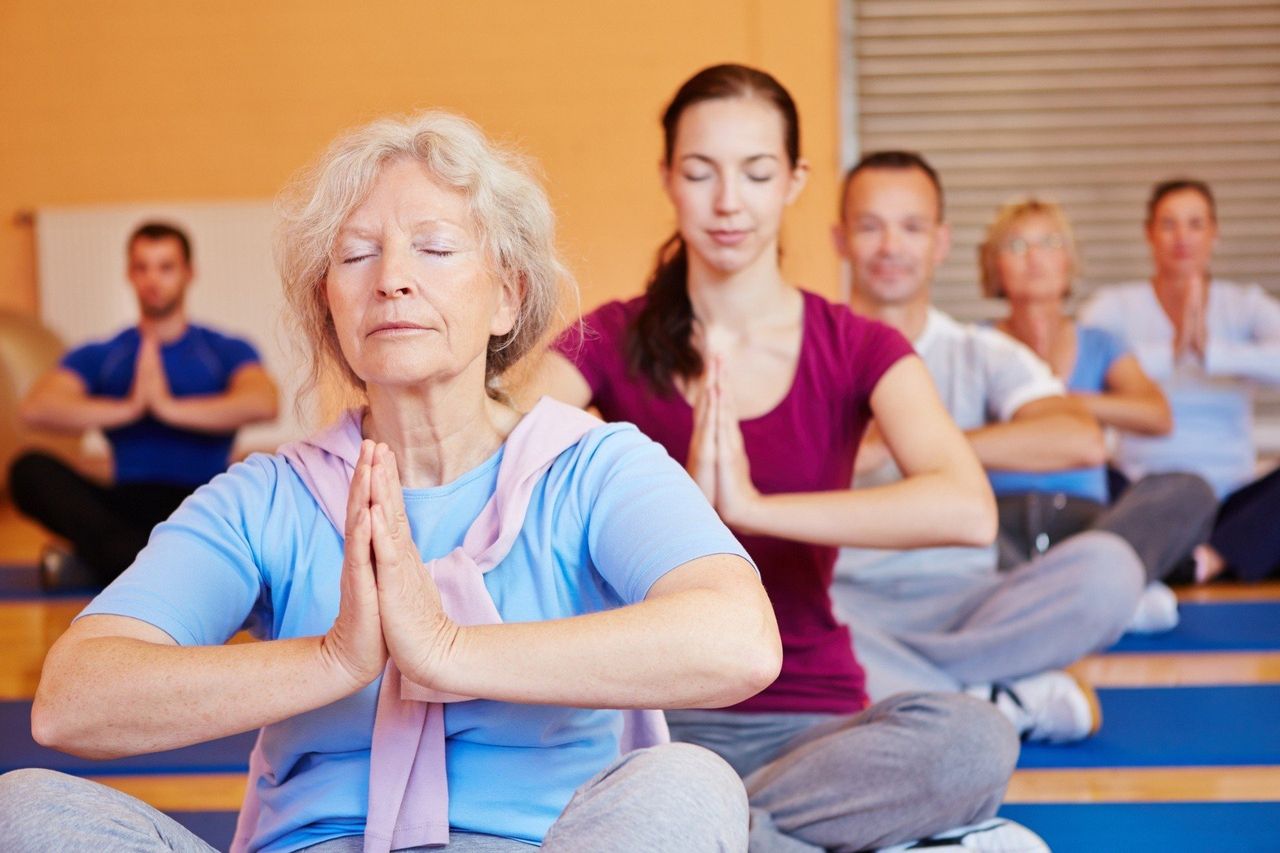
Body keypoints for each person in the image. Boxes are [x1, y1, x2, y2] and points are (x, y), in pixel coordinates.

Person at [0, 111, 784, 853]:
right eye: (356, 254)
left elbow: (739, 641)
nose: (392, 279)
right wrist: (335, 660)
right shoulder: (269, 496)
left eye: (435, 247)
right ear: (329, 306)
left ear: (508, 296)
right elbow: (73, 699)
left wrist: (445, 650)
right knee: (26, 807)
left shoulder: (597, 469)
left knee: (689, 780)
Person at [537, 64, 1038, 853]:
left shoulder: (859, 344)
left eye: (757, 172)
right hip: (653, 719)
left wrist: (749, 509)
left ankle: (725, 833)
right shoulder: (610, 337)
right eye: (700, 172)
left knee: (973, 736)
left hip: (812, 719)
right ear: (668, 177)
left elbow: (966, 508)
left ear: (795, 181)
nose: (729, 201)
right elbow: (493, 453)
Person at [830, 150, 1189, 741]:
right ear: (841, 239)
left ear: (941, 241)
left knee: (1108, 570)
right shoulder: (799, 348)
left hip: (970, 598)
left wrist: (918, 444)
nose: (891, 245)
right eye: (871, 226)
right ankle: (983, 696)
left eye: (912, 227)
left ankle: (908, 689)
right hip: (844, 601)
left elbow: (1078, 437)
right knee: (765, 620)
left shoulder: (982, 351)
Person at [977, 198, 1216, 624]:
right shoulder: (971, 344)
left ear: (1068, 260)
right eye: (1016, 246)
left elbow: (1156, 414)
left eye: (1049, 243)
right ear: (994, 266)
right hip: (995, 525)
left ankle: (1059, 596)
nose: (1034, 258)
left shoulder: (1101, 343)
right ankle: (1097, 600)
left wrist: (1051, 403)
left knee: (1189, 489)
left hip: (1087, 527)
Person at [9, 221, 279, 589]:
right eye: (143, 267)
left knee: (263, 490)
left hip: (201, 502)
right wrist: (131, 408)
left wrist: (168, 408)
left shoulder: (223, 349)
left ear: (188, 273)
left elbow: (263, 402)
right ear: (130, 275)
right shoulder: (106, 353)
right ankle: (154, 563)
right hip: (123, 505)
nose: (154, 279)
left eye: (166, 267)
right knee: (28, 469)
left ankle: (101, 564)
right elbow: (36, 408)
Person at [1080, 178, 1280, 582]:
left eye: (1195, 224)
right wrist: (1171, 352)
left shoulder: (1245, 304)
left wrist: (1213, 354)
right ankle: (1208, 556)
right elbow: (1080, 373)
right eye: (1169, 224)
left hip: (1231, 496)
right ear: (1149, 234)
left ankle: (1206, 559)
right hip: (1141, 491)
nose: (1182, 237)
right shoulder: (1114, 305)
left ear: (1214, 233)